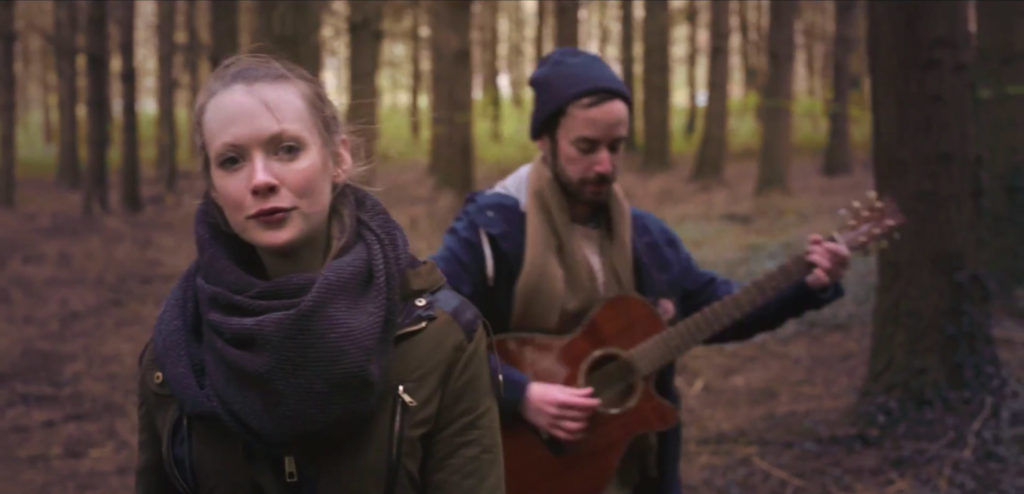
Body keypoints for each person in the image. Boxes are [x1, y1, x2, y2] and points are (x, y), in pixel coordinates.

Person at [431, 47, 850, 494]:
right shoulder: (492, 229)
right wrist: (520, 394)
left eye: (616, 147)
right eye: (586, 147)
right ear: (545, 140)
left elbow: (714, 308)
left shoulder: (646, 240)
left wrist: (808, 285)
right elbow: (434, 326)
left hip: (630, 470)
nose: (605, 166)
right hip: (516, 466)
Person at [135, 54, 503, 494]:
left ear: (338, 158)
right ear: (213, 188)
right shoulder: (176, 352)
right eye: (232, 160)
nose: (261, 179)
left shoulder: (437, 338)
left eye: (287, 150)